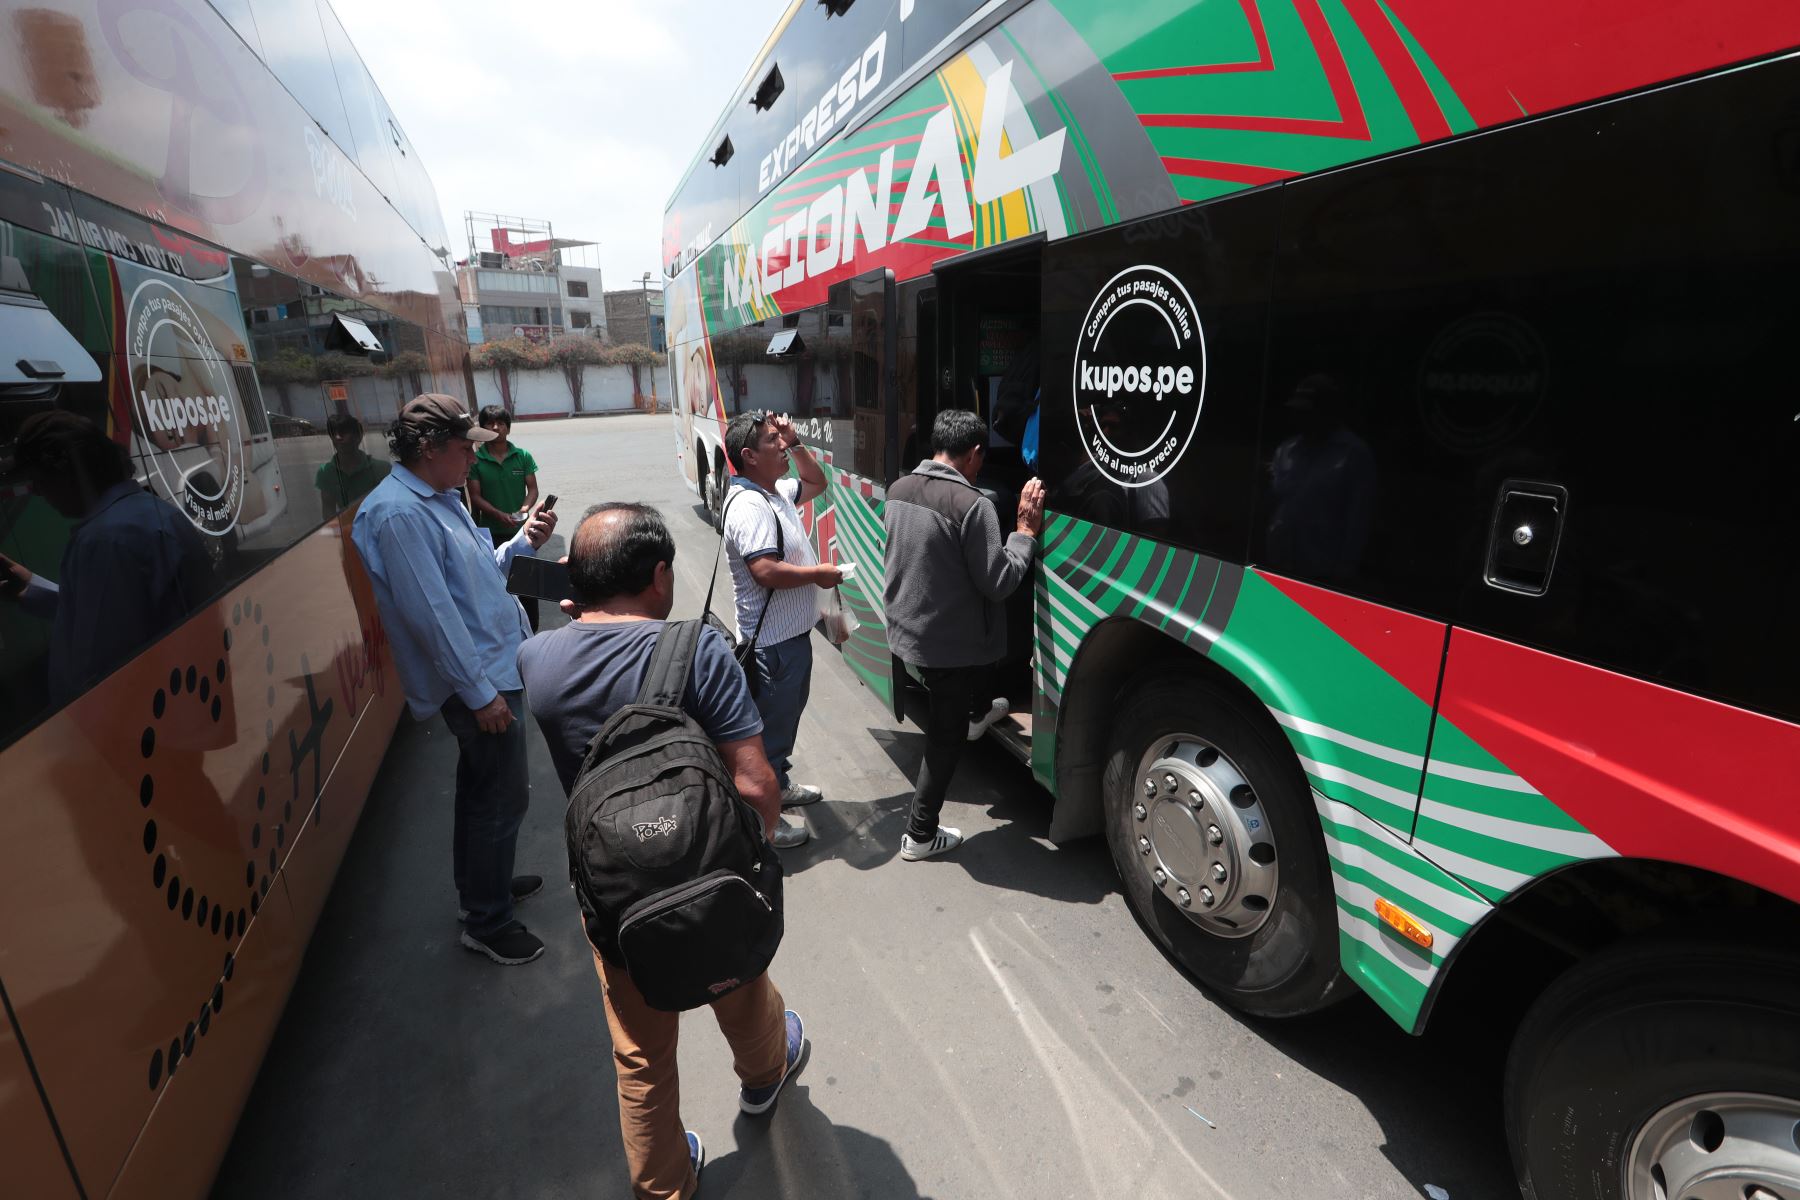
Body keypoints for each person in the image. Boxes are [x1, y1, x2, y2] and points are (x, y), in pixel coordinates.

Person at [518, 503, 807, 1200]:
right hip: (709, 867)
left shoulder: (536, 659)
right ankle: (765, 1078)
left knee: (640, 1055)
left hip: (615, 891)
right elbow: (756, 782)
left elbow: (586, 661)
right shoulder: (697, 649)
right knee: (740, 988)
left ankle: (665, 1185)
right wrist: (751, 857)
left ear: (576, 583)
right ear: (657, 576)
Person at [350, 393, 558, 966]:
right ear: (428, 450)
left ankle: (483, 888)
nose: (474, 457)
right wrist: (480, 695)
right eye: (464, 448)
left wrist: (521, 544)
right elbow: (432, 617)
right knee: (500, 797)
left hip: (491, 669)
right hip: (480, 682)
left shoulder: (438, 498)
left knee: (483, 792)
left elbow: (478, 577)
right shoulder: (399, 513)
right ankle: (487, 921)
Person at [882, 409, 1044, 861]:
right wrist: (1024, 534)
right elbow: (1000, 582)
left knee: (965, 685)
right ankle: (919, 835)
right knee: (944, 737)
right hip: (946, 646)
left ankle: (977, 712)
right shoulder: (975, 505)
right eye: (981, 459)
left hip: (907, 630)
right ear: (974, 454)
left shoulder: (897, 489)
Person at [1, 411, 215, 706]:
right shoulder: (143, 512)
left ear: (68, 470)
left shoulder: (107, 539)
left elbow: (98, 666)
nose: (36, 492)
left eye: (38, 480)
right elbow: (115, 614)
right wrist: (31, 589)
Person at [719, 410, 844, 848]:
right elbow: (765, 570)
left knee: (782, 726)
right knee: (770, 735)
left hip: (789, 638)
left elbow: (816, 483)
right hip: (772, 647)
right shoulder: (751, 505)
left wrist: (796, 442)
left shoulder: (773, 492)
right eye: (774, 441)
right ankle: (763, 826)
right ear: (750, 456)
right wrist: (819, 574)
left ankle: (781, 786)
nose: (782, 445)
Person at [467, 405, 542, 631]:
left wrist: (524, 510)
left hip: (522, 533)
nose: (496, 427)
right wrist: (499, 515)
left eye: (501, 422)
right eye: (490, 423)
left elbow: (533, 490)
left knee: (527, 585)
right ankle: (506, 629)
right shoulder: (476, 460)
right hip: (492, 534)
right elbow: (475, 496)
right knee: (500, 585)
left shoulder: (523, 456)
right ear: (483, 428)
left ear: (508, 427)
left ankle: (532, 628)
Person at [314, 412, 390, 520]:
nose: (338, 437)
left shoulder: (382, 468)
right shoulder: (326, 472)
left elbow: (388, 508)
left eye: (343, 432)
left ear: (358, 437)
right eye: (333, 433)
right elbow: (328, 512)